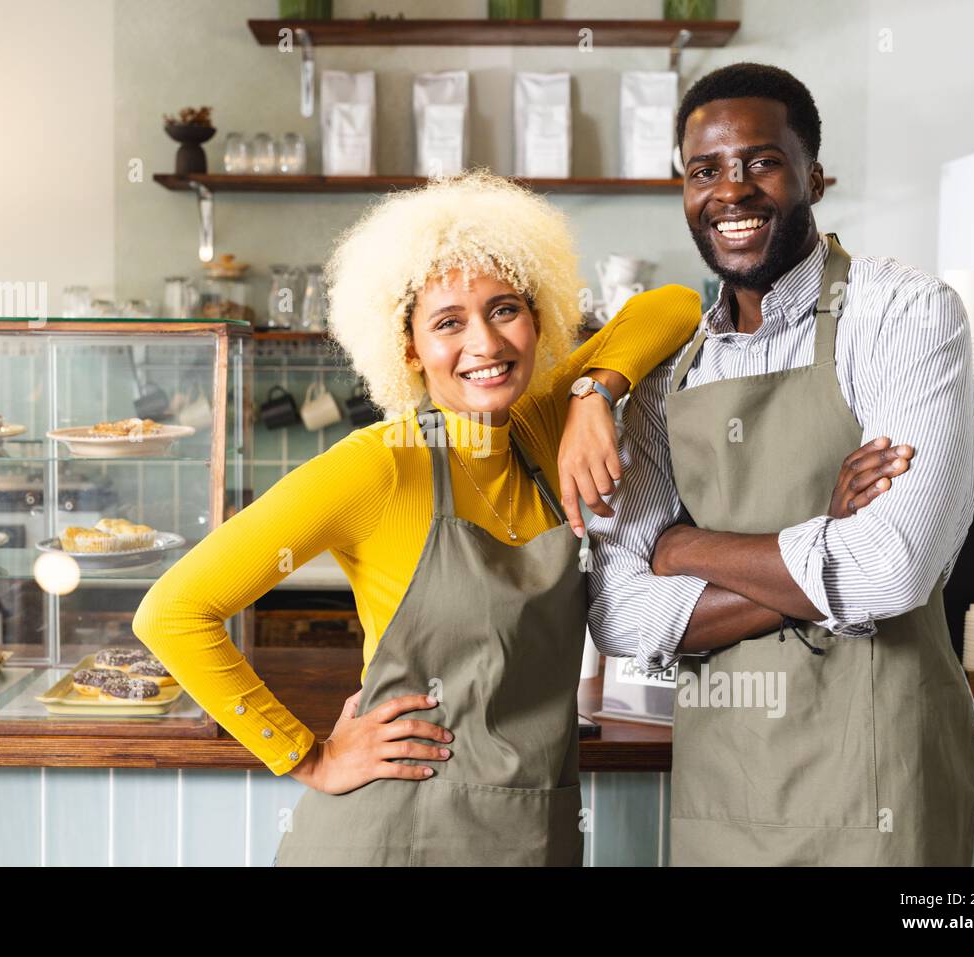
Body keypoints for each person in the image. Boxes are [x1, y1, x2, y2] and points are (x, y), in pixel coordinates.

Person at [132, 170, 702, 866]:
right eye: (447, 322)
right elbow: (171, 611)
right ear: (408, 347)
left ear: (540, 316)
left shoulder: (541, 423)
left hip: (527, 834)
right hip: (387, 835)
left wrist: (594, 390)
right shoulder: (380, 465)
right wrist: (306, 755)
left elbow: (672, 306)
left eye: (505, 308)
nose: (485, 344)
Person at [582, 63, 974, 866]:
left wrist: (685, 549)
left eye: (761, 162)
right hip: (725, 786)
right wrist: (824, 535)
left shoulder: (903, 314)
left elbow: (891, 570)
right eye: (705, 170)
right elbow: (621, 615)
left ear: (814, 174)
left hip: (885, 777)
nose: (731, 191)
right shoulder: (672, 370)